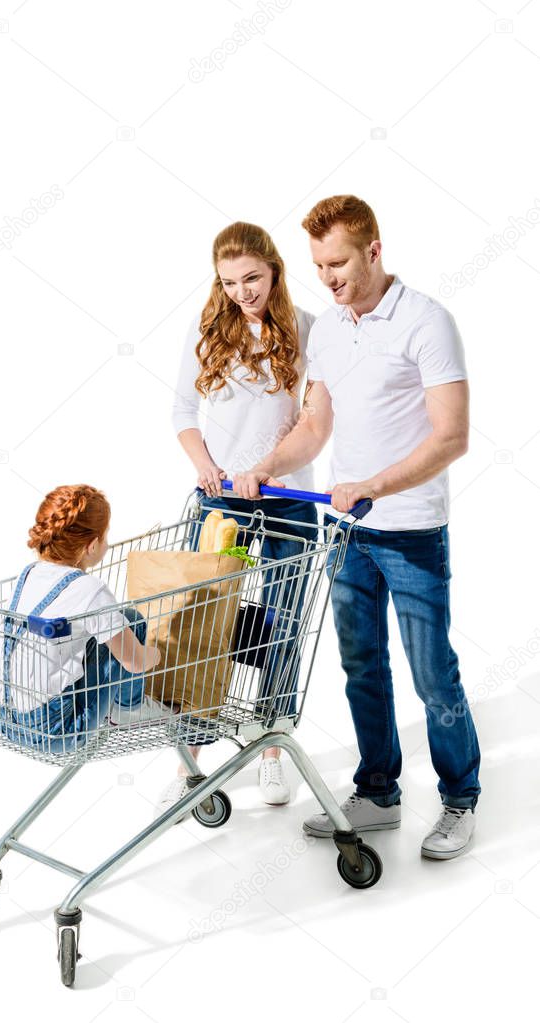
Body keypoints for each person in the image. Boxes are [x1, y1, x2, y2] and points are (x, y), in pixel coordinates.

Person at [233, 195, 481, 860]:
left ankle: (459, 799)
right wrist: (265, 463)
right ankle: (377, 791)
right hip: (346, 533)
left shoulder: (427, 321)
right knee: (361, 664)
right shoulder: (328, 331)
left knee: (432, 673)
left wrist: (373, 484)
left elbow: (451, 435)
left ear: (374, 250)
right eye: (317, 264)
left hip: (410, 531)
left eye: (338, 261)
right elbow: (314, 423)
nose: (328, 276)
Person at [159, 220, 319, 819]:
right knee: (206, 620)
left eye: (251, 277)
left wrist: (272, 467)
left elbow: (318, 416)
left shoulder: (307, 329)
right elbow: (182, 409)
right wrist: (206, 466)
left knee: (282, 620)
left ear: (274, 270)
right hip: (221, 499)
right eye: (229, 282)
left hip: (288, 502)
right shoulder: (209, 331)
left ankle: (270, 745)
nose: (242, 291)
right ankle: (190, 759)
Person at [0, 484, 176, 753]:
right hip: (57, 731)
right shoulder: (90, 590)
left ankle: (120, 706)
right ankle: (129, 709)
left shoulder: (29, 574)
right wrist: (157, 654)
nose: (108, 543)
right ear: (91, 546)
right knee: (131, 621)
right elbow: (134, 662)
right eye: (106, 536)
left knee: (109, 625)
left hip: (4, 718)